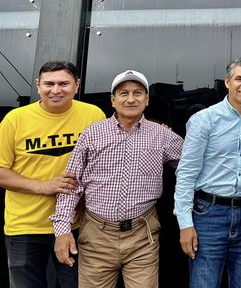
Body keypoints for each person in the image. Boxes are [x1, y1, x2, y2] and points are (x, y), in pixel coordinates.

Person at [51, 69, 183, 287]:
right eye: (123, 93)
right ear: (113, 100)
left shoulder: (163, 135)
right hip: (96, 236)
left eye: (137, 93)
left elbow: (190, 168)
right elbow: (71, 185)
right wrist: (62, 230)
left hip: (143, 235)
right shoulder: (92, 133)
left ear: (147, 100)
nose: (131, 99)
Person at [0, 61, 105, 288]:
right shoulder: (15, 119)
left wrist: (158, 129)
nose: (55, 90)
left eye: (63, 84)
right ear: (38, 85)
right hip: (25, 226)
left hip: (75, 225)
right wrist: (45, 186)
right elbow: (1, 172)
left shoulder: (93, 114)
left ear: (77, 85)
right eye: (49, 84)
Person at [174, 58, 241, 288]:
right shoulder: (204, 120)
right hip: (209, 213)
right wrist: (185, 223)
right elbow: (186, 173)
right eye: (239, 79)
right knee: (204, 283)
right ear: (227, 82)